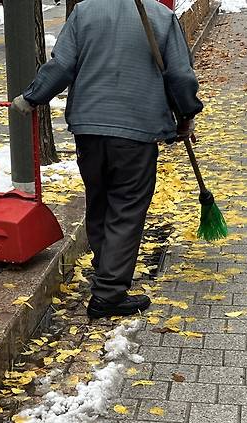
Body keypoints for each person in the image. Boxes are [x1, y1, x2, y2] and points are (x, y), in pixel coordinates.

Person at [11, 0, 203, 318]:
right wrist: (186, 116)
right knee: (126, 208)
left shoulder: (84, 11)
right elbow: (181, 76)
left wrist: (32, 97)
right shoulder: (160, 16)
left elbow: (61, 66)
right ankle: (109, 293)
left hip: (88, 129)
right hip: (136, 130)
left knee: (99, 200)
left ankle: (106, 266)